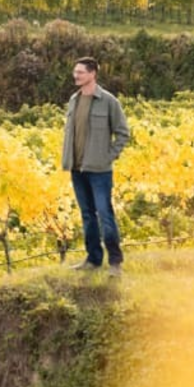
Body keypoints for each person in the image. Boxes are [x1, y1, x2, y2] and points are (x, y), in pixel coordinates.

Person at [61, 56, 130, 276]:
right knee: (87, 215)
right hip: (77, 168)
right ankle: (93, 259)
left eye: (80, 72)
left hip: (99, 171)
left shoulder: (109, 101)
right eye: (75, 72)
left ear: (92, 74)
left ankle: (115, 262)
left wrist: (108, 157)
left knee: (104, 213)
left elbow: (123, 133)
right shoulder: (74, 100)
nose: (76, 75)